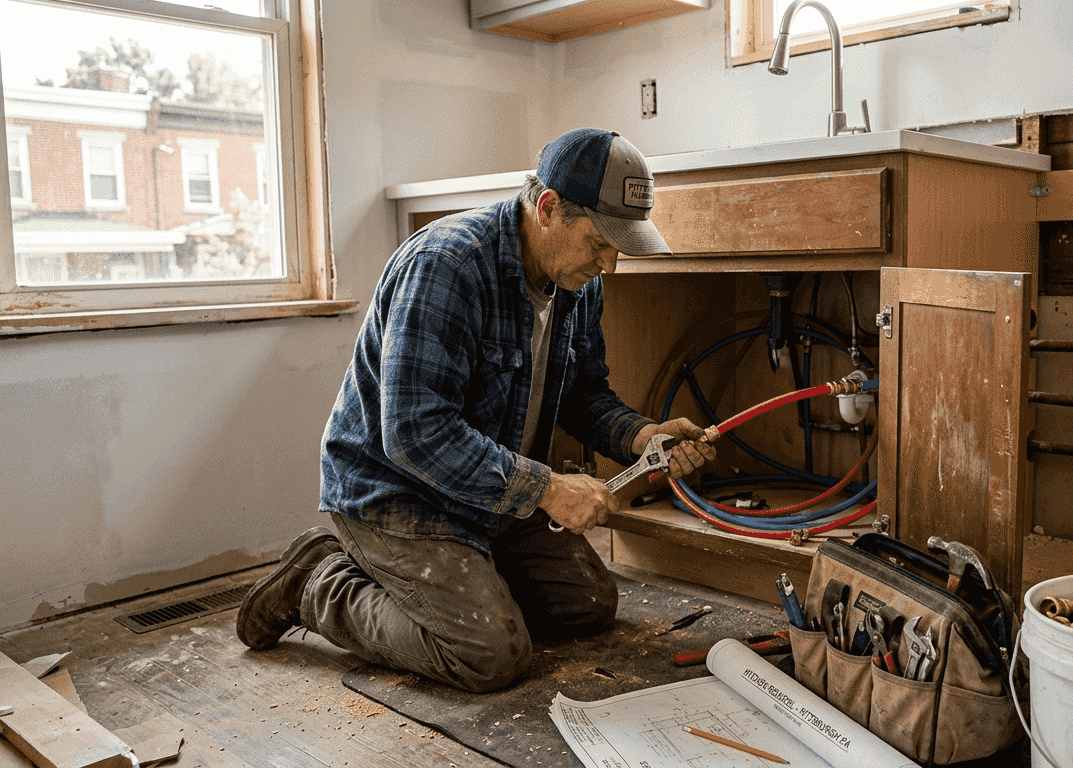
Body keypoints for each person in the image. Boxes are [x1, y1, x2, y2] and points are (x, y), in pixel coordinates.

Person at [235, 128, 716, 692]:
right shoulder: (446, 265)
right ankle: (318, 582)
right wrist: (548, 490)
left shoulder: (576, 281)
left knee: (587, 605)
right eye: (599, 241)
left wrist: (642, 436)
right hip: (397, 495)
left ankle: (466, 579)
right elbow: (414, 432)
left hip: (489, 492)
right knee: (489, 656)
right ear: (548, 208)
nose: (609, 263)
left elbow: (583, 391)